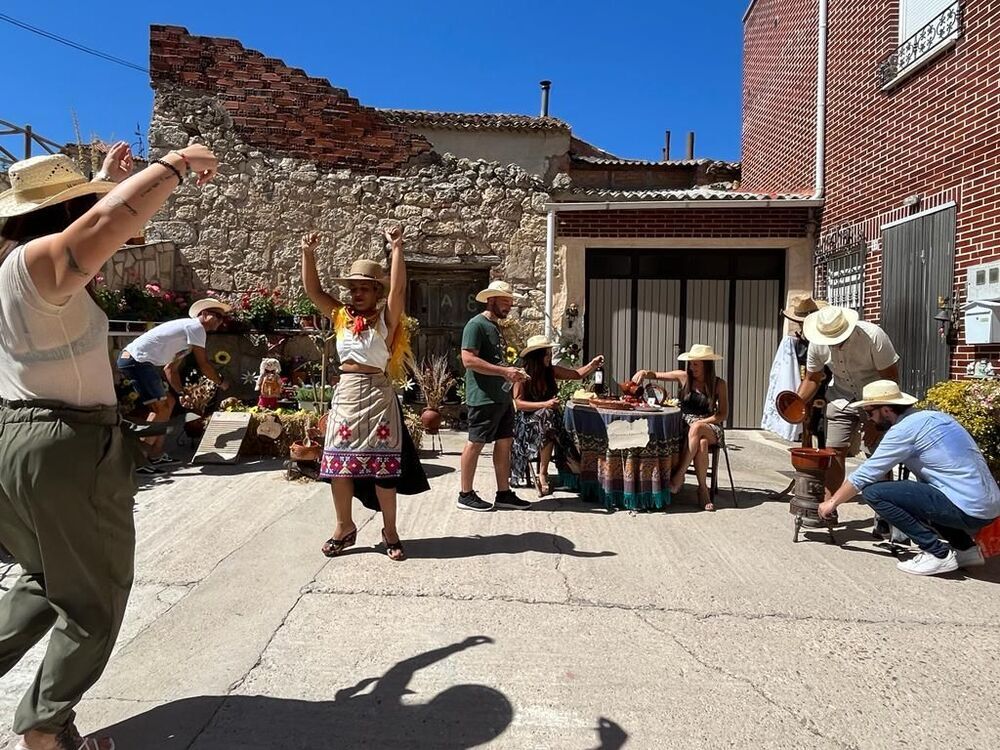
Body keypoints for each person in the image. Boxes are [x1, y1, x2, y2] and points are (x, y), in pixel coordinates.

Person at [0, 146, 218, 750]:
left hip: (12, 438)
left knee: (46, 577)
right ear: (64, 210)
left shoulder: (7, 270)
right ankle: (46, 730)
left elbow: (94, 232)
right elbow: (98, 230)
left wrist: (99, 184)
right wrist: (174, 165)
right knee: (94, 598)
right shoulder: (40, 264)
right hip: (65, 445)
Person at [301, 227, 428, 561]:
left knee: (383, 469)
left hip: (377, 394)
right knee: (337, 467)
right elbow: (313, 291)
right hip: (346, 394)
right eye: (353, 288)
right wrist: (307, 253)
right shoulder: (341, 317)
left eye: (364, 289)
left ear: (376, 292)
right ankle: (344, 527)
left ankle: (390, 531)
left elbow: (399, 288)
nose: (357, 294)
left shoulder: (386, 319)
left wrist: (397, 248)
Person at [819, 380, 1000, 576]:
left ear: (886, 410)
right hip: (988, 507)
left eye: (870, 412)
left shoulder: (903, 430)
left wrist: (832, 503)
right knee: (921, 493)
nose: (868, 419)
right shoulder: (934, 417)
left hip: (967, 508)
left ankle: (937, 553)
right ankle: (966, 550)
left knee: (874, 492)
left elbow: (866, 474)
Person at [116, 298, 231, 472]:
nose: (221, 321)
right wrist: (221, 383)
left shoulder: (188, 336)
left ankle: (155, 454)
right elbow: (204, 364)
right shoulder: (196, 328)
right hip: (136, 361)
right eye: (218, 316)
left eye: (223, 318)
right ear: (205, 314)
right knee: (160, 408)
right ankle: (138, 459)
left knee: (168, 403)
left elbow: (170, 369)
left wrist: (181, 393)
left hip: (138, 362)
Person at [796, 305, 900, 492]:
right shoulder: (817, 343)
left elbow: (890, 379)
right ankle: (829, 508)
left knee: (877, 456)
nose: (834, 343)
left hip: (875, 400)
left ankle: (884, 512)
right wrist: (796, 403)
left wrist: (877, 422)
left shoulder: (874, 336)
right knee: (834, 453)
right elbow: (812, 378)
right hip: (840, 398)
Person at [458, 281, 530, 512]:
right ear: (491, 300)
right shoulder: (475, 325)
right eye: (505, 301)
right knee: (475, 443)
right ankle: (465, 494)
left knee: (504, 443)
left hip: (501, 397)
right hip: (483, 397)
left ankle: (503, 493)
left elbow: (493, 362)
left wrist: (512, 373)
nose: (509, 306)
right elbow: (468, 360)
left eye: (510, 301)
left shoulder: (495, 326)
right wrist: (504, 371)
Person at [632, 344, 728, 511]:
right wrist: (645, 372)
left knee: (698, 430)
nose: (692, 367)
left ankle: (678, 476)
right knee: (702, 444)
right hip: (686, 425)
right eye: (691, 364)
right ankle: (703, 490)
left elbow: (722, 414)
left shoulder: (719, 384)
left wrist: (702, 422)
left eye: (696, 364)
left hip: (710, 424)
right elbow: (658, 375)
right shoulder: (684, 377)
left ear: (707, 365)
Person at [510, 335, 603, 496]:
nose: (550, 357)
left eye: (550, 353)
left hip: (548, 420)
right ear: (537, 356)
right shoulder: (522, 374)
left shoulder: (550, 371)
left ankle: (557, 468)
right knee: (548, 418)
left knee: (549, 420)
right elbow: (518, 404)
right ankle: (551, 471)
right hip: (527, 421)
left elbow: (576, 375)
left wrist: (592, 365)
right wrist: (544, 405)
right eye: (547, 354)